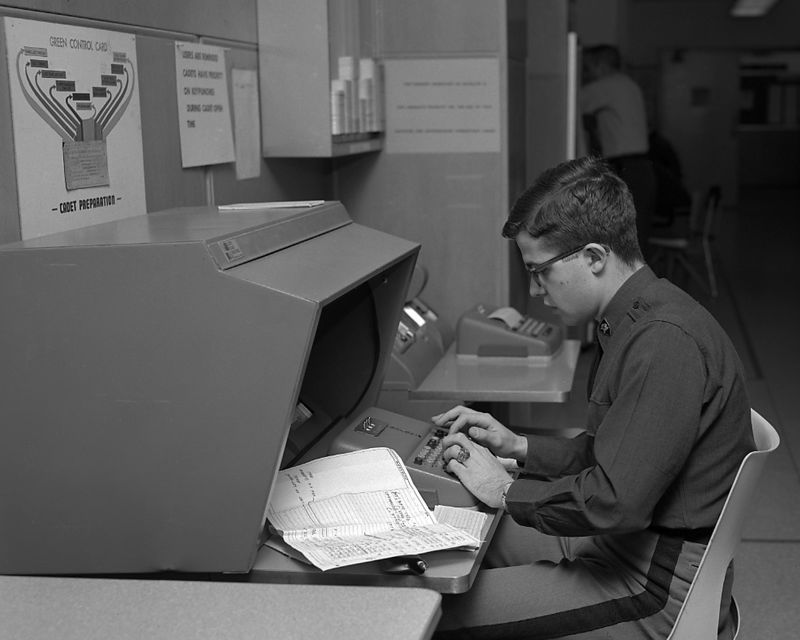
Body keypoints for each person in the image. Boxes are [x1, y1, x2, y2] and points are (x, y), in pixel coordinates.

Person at [432, 156, 754, 639]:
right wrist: (519, 446)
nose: (535, 290)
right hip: (620, 544)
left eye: (540, 272)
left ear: (595, 257)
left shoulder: (663, 341)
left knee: (437, 615)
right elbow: (616, 456)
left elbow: (615, 502)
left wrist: (504, 490)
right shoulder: (634, 320)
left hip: (653, 583)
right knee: (464, 542)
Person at [581, 44, 656, 253]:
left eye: (588, 68)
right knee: (637, 237)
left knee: (623, 240)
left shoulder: (606, 86)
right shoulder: (628, 85)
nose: (587, 74)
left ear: (600, 65)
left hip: (625, 169)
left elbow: (568, 101)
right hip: (641, 167)